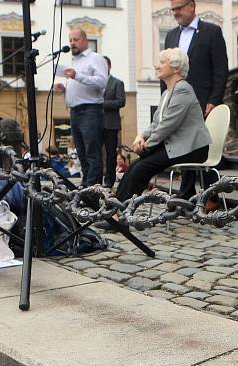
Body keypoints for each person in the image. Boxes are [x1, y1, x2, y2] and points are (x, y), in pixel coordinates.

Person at [95, 48, 212, 230]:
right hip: (176, 144)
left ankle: (120, 218)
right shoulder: (167, 93)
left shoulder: (183, 90)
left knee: (142, 167)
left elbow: (167, 126)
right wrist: (140, 137)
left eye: (163, 62)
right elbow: (156, 122)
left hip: (192, 148)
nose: (158, 66)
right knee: (135, 166)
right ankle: (115, 212)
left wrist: (147, 145)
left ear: (175, 68)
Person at [164, 0, 229, 204]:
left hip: (203, 102)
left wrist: (214, 100)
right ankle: (187, 192)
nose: (175, 13)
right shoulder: (171, 35)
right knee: (183, 147)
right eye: (172, 9)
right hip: (178, 103)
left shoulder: (211, 32)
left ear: (191, 6)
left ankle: (211, 196)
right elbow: (168, 72)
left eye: (179, 8)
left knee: (203, 148)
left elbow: (220, 69)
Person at [54, 28, 108, 187]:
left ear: (85, 41)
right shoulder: (75, 61)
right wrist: (64, 90)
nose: (72, 43)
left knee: (92, 153)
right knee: (82, 154)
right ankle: (86, 185)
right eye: (70, 40)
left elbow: (102, 82)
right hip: (75, 111)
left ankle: (94, 189)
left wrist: (77, 75)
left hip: (90, 110)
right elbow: (80, 87)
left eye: (76, 40)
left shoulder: (95, 58)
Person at [102, 56, 126, 189]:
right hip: (96, 123)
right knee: (96, 152)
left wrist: (102, 104)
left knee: (111, 153)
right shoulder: (95, 83)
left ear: (109, 66)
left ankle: (109, 179)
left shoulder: (117, 82)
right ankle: (96, 177)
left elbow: (121, 101)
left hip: (111, 124)